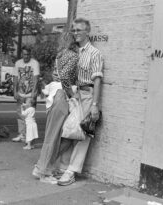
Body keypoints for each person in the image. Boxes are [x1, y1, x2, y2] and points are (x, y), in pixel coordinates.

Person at [55, 18, 104, 186]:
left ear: (87, 32)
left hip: (88, 95)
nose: (75, 33)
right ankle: (63, 166)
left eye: (79, 30)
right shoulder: (75, 52)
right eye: (74, 30)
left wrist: (95, 106)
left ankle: (71, 171)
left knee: (84, 133)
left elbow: (97, 80)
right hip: (75, 95)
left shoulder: (94, 53)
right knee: (69, 130)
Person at [32, 32, 79, 184]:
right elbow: (65, 76)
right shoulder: (73, 56)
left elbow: (57, 74)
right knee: (54, 137)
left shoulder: (60, 55)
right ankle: (43, 172)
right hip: (61, 96)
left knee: (53, 136)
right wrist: (71, 94)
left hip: (53, 96)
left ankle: (43, 167)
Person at [12, 47, 40, 142]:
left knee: (29, 116)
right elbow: (15, 78)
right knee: (20, 115)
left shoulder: (35, 63)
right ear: (22, 54)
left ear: (30, 54)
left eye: (28, 54)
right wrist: (15, 91)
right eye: (24, 54)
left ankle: (29, 137)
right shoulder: (18, 63)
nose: (26, 56)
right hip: (20, 93)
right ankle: (22, 134)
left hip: (30, 94)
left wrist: (33, 93)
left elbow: (36, 79)